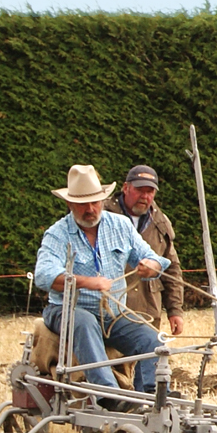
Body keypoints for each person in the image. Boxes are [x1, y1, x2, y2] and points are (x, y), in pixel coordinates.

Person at [31, 164, 167, 393]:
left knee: (152, 340)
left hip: (112, 315)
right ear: (69, 204)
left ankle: (153, 396)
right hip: (65, 311)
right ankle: (107, 394)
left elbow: (154, 259)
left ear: (103, 200)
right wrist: (86, 282)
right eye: (83, 204)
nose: (91, 209)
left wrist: (150, 266)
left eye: (95, 202)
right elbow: (44, 275)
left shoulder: (121, 226)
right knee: (84, 321)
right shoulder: (57, 233)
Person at [115, 164, 186, 338]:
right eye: (140, 190)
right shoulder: (104, 216)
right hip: (112, 311)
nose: (145, 196)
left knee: (149, 361)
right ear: (126, 187)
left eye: (150, 191)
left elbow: (172, 268)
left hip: (148, 311)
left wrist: (175, 310)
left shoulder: (160, 222)